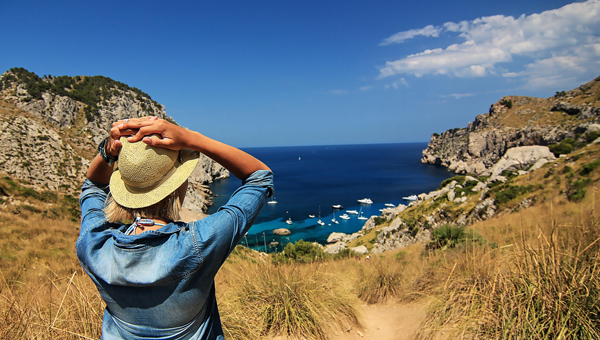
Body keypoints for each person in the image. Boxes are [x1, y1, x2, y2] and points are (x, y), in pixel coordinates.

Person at [76, 116, 273, 339]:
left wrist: (108, 151)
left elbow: (92, 186)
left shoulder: (94, 246)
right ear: (178, 184)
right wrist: (191, 138)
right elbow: (260, 177)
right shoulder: (198, 244)